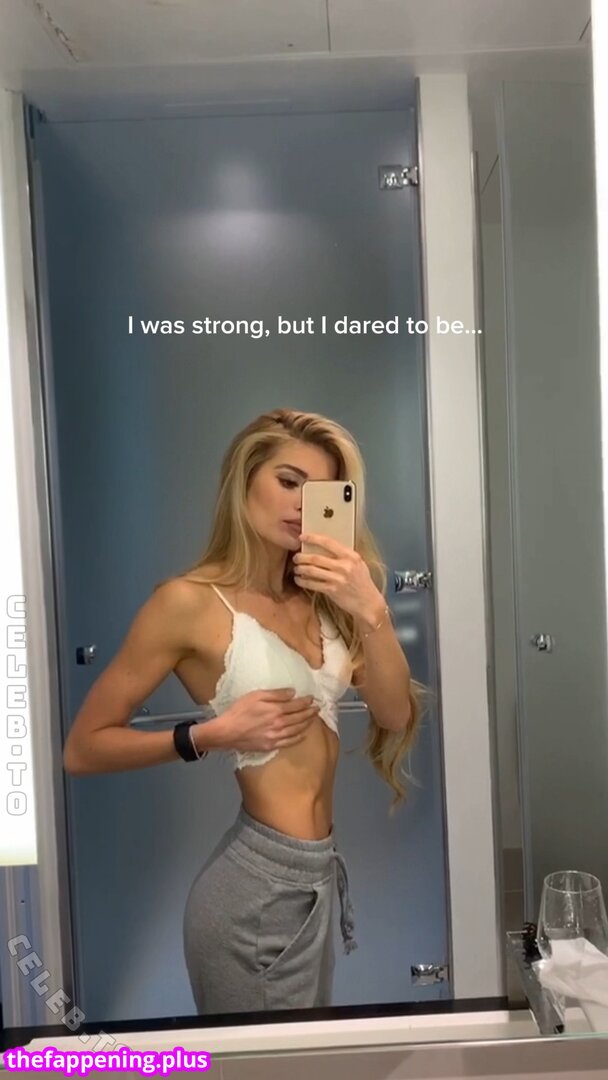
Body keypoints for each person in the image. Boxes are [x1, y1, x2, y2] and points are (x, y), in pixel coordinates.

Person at [63, 407, 426, 1015]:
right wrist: (210, 734)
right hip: (250, 895)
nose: (301, 505)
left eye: (319, 492)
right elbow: (83, 748)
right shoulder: (186, 603)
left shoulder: (326, 598)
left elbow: (393, 713)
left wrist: (372, 610)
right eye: (288, 481)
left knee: (305, 1054)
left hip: (313, 880)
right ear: (244, 479)